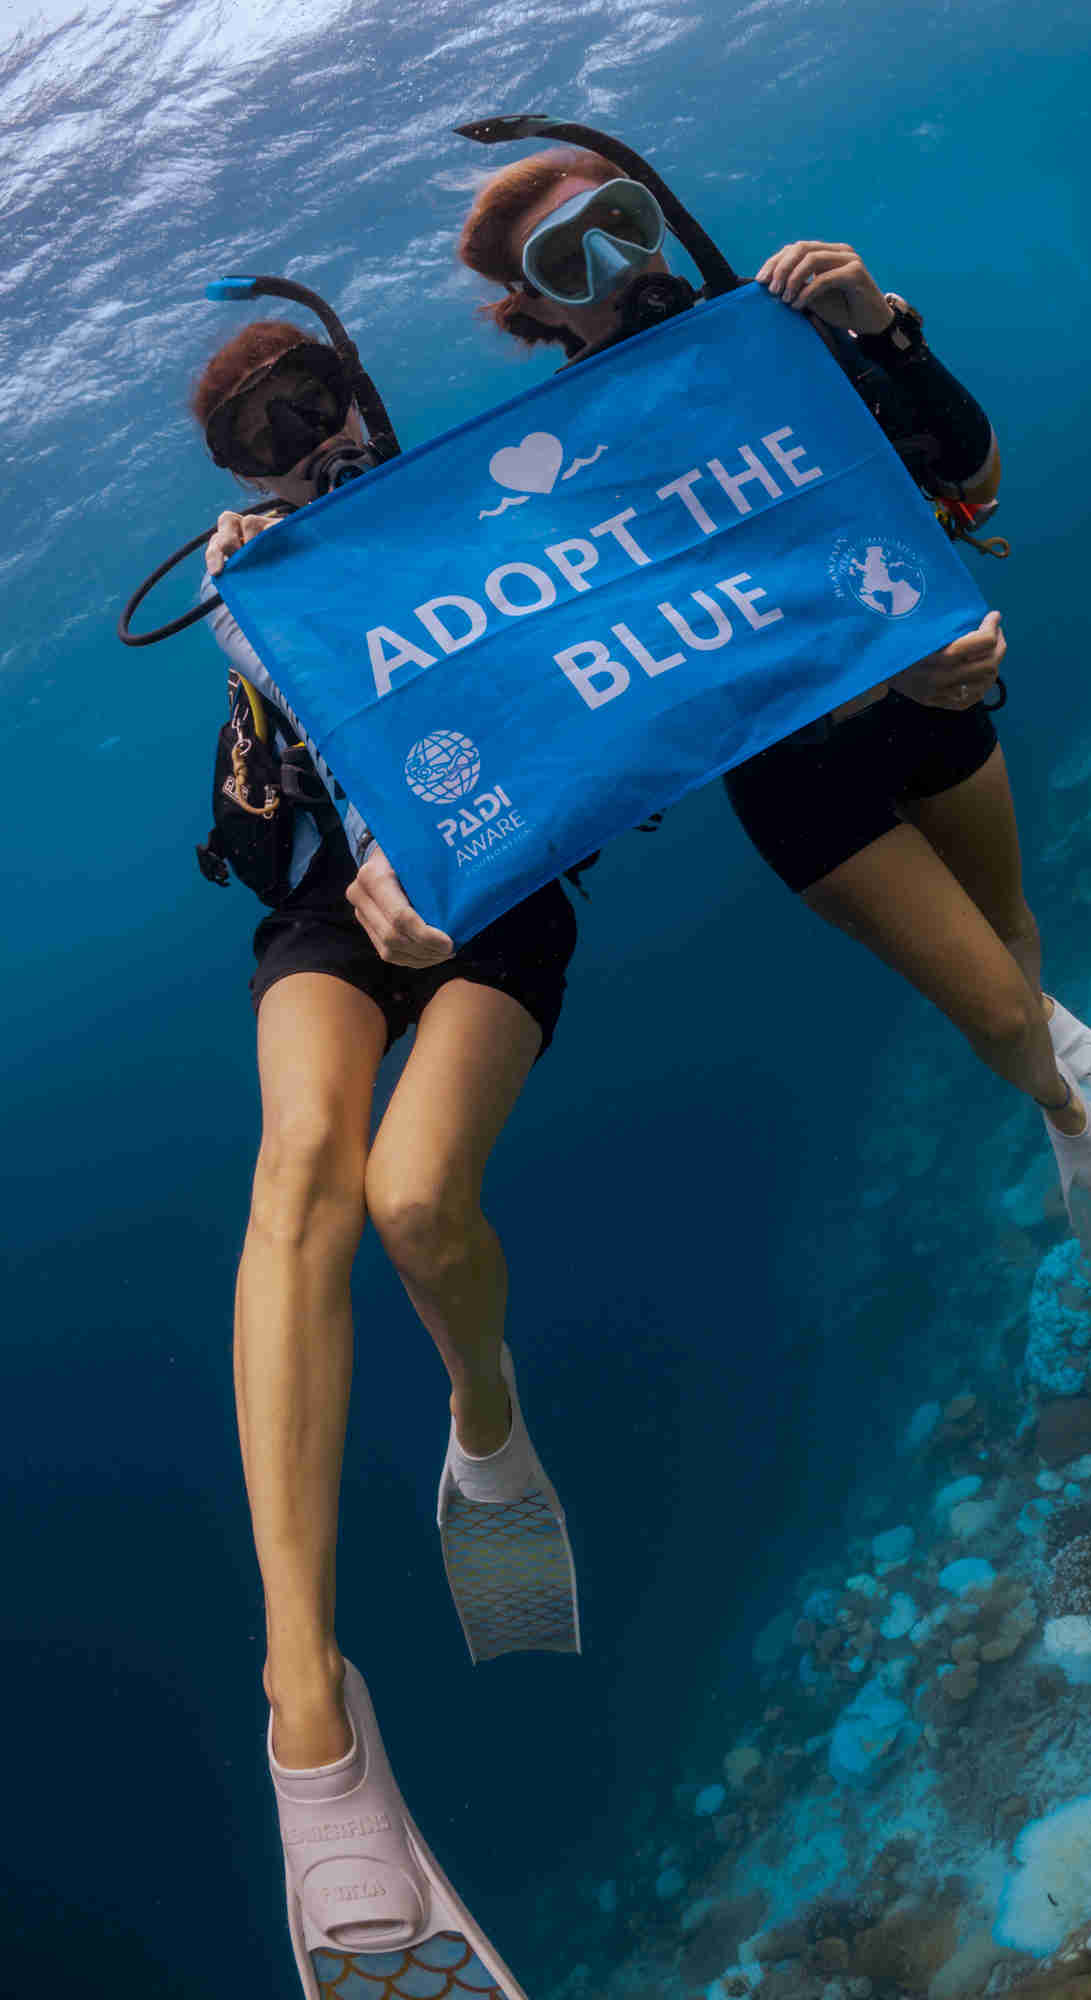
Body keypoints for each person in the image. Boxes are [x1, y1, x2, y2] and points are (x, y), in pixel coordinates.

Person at [454, 147, 1091, 1270]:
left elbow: (975, 483)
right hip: (797, 771)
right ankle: (1076, 1113)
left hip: (938, 684)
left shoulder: (784, 332)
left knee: (1012, 928)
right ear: (529, 306)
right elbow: (657, 676)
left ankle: (1084, 1121)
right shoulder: (554, 473)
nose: (623, 265)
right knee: (1008, 1014)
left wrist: (887, 332)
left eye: (627, 222)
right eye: (572, 261)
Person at [193, 320, 568, 1999]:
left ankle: (485, 1434)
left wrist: (470, 849)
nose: (309, 453)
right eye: (267, 443)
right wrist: (255, 662)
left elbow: (602, 714)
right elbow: (259, 848)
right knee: (301, 1177)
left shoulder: (473, 517)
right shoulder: (257, 594)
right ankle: (308, 1715)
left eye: (319, 412)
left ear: (366, 400)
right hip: (325, 926)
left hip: (492, 893)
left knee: (417, 1205)